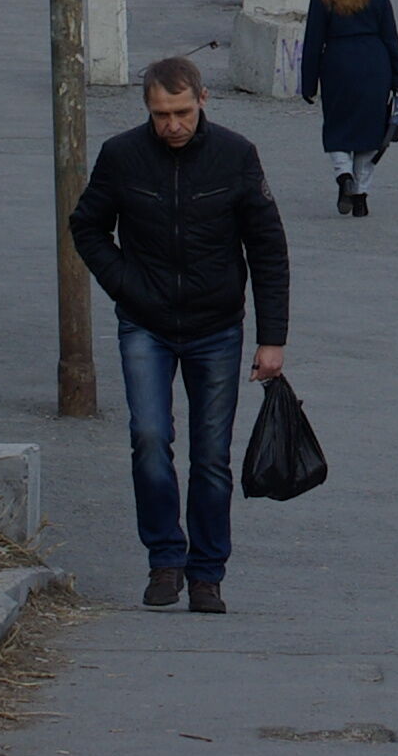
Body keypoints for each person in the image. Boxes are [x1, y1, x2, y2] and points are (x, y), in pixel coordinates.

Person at [68, 58, 288, 614]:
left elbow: (267, 249)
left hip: (216, 327)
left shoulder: (236, 156)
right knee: (148, 438)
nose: (173, 124)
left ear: (203, 100)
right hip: (145, 323)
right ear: (147, 109)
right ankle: (165, 561)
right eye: (161, 114)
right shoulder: (122, 156)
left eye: (182, 112)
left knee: (211, 455)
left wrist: (272, 338)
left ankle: (207, 573)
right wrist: (125, 284)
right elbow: (86, 225)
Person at [297, 0, 398, 216]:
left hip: (337, 66)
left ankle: (344, 175)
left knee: (338, 127)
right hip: (374, 65)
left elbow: (312, 43)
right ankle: (361, 195)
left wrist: (308, 84)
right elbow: (391, 36)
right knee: (371, 133)